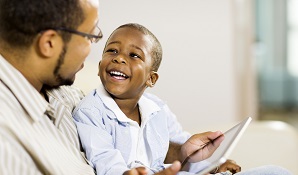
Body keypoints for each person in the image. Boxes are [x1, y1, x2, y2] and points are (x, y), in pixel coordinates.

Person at [0, 0, 292, 174]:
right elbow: (107, 160)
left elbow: (164, 146)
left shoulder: (60, 91)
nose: (95, 51)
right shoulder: (11, 140)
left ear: (152, 78)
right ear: (49, 43)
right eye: (92, 37)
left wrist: (184, 154)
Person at [72, 23, 292, 175]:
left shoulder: (157, 109)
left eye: (134, 55)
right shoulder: (90, 112)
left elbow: (182, 153)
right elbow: (107, 164)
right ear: (100, 66)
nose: (118, 58)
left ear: (151, 78)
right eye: (111, 51)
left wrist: (210, 165)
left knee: (277, 171)